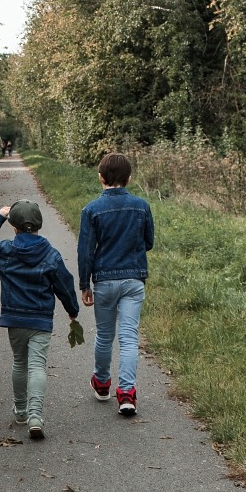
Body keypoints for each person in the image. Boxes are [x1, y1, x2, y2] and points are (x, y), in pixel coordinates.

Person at [0, 199, 80, 440]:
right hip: (41, 320)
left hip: (14, 319)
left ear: (14, 228)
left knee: (19, 363)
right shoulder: (51, 255)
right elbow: (64, 284)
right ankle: (36, 415)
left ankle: (21, 411)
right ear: (39, 225)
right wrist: (72, 309)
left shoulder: (6, 252)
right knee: (37, 366)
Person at [77, 151, 154, 417]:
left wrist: (84, 284)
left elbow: (86, 250)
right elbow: (149, 242)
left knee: (104, 335)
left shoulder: (91, 210)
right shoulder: (142, 206)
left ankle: (101, 383)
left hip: (105, 281)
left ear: (100, 177)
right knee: (129, 337)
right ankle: (127, 393)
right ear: (129, 178)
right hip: (134, 280)